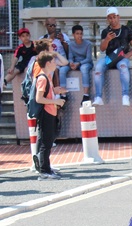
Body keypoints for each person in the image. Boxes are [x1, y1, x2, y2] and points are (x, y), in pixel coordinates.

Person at [93, 7, 132, 106]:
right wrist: (107, 39)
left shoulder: (126, 30)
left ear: (118, 17)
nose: (112, 20)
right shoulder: (106, 32)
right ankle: (98, 97)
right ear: (107, 19)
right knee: (98, 67)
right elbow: (102, 48)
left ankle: (125, 96)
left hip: (122, 58)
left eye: (114, 17)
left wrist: (127, 55)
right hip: (109, 57)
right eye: (110, 18)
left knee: (123, 67)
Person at [32, 52, 65, 180]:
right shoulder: (42, 78)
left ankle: (46, 168)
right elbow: (39, 98)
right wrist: (55, 101)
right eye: (53, 61)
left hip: (50, 112)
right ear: (47, 63)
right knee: (46, 142)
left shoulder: (47, 77)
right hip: (46, 113)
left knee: (48, 141)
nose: (55, 63)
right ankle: (44, 170)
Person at [40, 18, 71, 93]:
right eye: (50, 25)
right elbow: (40, 53)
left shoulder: (63, 36)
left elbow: (69, 51)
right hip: (49, 61)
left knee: (56, 69)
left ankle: (58, 93)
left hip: (61, 60)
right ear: (46, 26)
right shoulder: (43, 38)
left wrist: (62, 41)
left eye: (54, 25)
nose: (52, 27)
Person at [68, 25, 94, 103]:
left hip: (86, 63)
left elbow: (89, 58)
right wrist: (71, 63)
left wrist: (78, 63)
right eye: (77, 33)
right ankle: (63, 95)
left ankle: (86, 94)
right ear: (73, 35)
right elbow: (70, 57)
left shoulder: (88, 44)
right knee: (63, 69)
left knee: (84, 68)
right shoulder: (71, 45)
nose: (79, 36)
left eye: (81, 33)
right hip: (76, 63)